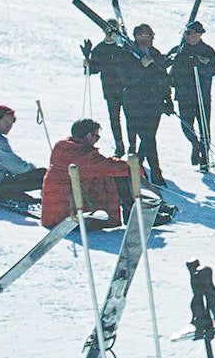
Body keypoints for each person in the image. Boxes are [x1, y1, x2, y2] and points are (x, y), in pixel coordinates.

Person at [40, 118, 174, 229]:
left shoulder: (65, 146)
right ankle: (134, 216)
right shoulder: (81, 153)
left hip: (59, 206)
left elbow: (101, 164)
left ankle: (133, 212)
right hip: (64, 212)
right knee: (120, 174)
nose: (97, 140)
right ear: (88, 135)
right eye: (96, 136)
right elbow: (107, 166)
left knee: (115, 173)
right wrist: (135, 168)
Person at [121, 23, 174, 187]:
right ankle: (154, 172)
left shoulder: (156, 54)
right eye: (144, 36)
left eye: (150, 36)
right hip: (134, 101)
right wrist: (141, 67)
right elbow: (124, 79)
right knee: (146, 137)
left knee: (149, 137)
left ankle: (140, 167)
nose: (147, 39)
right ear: (136, 37)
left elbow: (163, 78)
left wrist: (168, 99)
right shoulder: (127, 54)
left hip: (154, 101)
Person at [169, 20, 215, 170]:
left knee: (204, 127)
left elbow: (213, 70)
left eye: (195, 33)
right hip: (184, 95)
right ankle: (194, 144)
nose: (191, 36)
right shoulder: (180, 50)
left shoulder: (208, 51)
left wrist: (201, 64)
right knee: (186, 125)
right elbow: (170, 69)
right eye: (188, 33)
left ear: (200, 34)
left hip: (202, 95)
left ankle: (204, 156)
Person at [83, 21, 134, 156]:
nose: (110, 33)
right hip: (110, 89)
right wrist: (87, 61)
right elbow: (93, 69)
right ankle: (119, 145)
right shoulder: (99, 49)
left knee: (130, 118)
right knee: (114, 118)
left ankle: (132, 145)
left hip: (126, 88)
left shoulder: (123, 47)